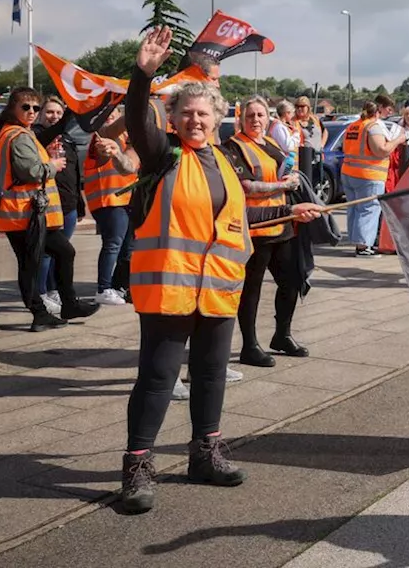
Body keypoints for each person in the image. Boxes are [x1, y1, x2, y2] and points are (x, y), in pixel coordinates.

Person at [119, 28, 322, 515]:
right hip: (169, 289)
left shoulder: (225, 164)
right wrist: (143, 74)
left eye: (203, 113)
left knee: (210, 374)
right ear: (172, 118)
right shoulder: (162, 155)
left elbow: (232, 224)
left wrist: (288, 215)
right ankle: (137, 465)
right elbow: (134, 116)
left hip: (217, 291)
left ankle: (205, 453)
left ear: (217, 118)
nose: (195, 119)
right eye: (186, 112)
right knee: (158, 378)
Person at [0, 88, 100, 331]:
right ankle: (44, 311)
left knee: (51, 256)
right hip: (24, 214)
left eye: (35, 108)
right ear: (13, 108)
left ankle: (63, 305)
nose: (31, 112)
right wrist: (52, 165)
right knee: (39, 260)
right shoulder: (17, 135)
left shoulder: (16, 132)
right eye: (25, 107)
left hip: (25, 213)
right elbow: (31, 171)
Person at [224, 95, 309, 368]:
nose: (256, 120)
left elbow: (287, 168)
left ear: (268, 118)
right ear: (241, 119)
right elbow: (247, 186)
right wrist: (284, 187)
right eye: (251, 116)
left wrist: (294, 178)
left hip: (281, 223)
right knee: (251, 290)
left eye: (261, 115)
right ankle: (250, 346)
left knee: (291, 281)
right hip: (254, 226)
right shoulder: (233, 147)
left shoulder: (271, 143)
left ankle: (282, 335)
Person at [83, 105, 137, 305]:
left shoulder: (125, 140)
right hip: (109, 200)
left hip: (124, 200)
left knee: (126, 248)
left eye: (114, 115)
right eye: (108, 116)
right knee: (113, 245)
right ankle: (104, 288)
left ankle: (118, 286)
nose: (111, 119)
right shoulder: (100, 139)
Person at [35, 98, 84, 314]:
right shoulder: (36, 137)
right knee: (46, 253)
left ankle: (56, 291)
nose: (53, 116)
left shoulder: (68, 139)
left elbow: (75, 173)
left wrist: (79, 203)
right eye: (49, 112)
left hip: (69, 205)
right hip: (47, 206)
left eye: (57, 112)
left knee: (63, 253)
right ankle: (41, 294)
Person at [341, 95, 405, 256]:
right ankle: (363, 246)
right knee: (369, 208)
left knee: (354, 208)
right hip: (369, 174)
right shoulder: (373, 127)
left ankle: (357, 241)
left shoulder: (353, 126)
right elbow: (381, 150)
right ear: (377, 111)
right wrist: (398, 140)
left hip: (349, 172)